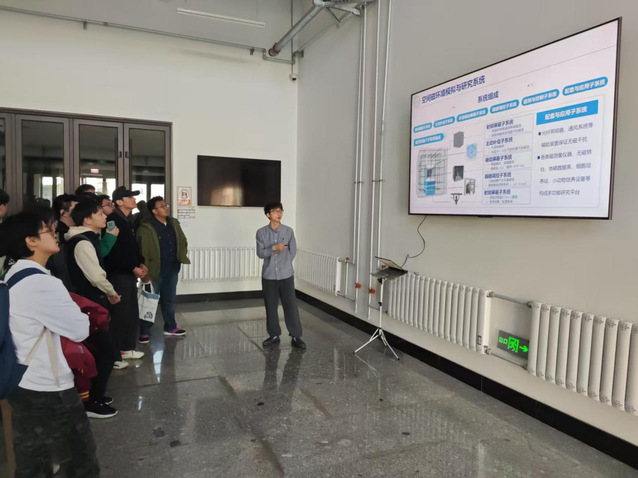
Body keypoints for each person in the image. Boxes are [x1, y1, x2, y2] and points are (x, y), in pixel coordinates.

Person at [0, 211, 100, 477]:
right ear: (31, 241)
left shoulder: (12, 274)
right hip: (49, 386)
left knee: (33, 460)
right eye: (48, 230)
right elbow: (79, 329)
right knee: (81, 461)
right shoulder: (42, 283)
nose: (55, 234)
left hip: (20, 377)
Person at [66, 198, 122, 417]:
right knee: (106, 352)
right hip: (88, 303)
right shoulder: (82, 242)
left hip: (90, 302)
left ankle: (94, 395)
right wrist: (111, 292)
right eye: (99, 213)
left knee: (99, 351)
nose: (105, 216)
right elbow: (95, 276)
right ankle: (92, 402)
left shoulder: (87, 238)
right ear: (87, 219)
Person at [136, 196, 189, 343]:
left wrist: (181, 254)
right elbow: (141, 249)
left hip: (172, 268)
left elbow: (183, 241)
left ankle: (170, 327)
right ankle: (145, 331)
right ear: (154, 211)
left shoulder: (173, 223)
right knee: (149, 300)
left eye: (166, 205)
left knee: (169, 300)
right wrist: (144, 272)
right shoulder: (146, 227)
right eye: (162, 206)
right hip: (153, 270)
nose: (166, 208)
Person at [103, 186, 147, 360]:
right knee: (122, 312)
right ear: (119, 202)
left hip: (128, 272)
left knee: (130, 311)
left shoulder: (127, 220)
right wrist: (132, 267)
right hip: (118, 274)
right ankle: (121, 349)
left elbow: (131, 247)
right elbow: (116, 252)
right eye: (129, 197)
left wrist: (140, 263)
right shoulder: (113, 220)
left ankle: (127, 347)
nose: (134, 200)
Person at [255, 202, 305, 349]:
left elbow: (293, 251)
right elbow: (260, 253)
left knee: (290, 306)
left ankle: (296, 336)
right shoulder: (261, 233)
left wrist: (285, 265)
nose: (279, 213)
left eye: (280, 211)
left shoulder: (288, 231)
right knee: (271, 307)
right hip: (269, 276)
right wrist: (274, 248)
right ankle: (274, 335)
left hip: (286, 275)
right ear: (268, 214)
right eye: (275, 211)